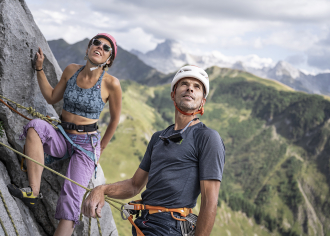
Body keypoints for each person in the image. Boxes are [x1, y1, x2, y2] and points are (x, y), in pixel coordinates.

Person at [82, 65, 225, 236]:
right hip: (144, 223)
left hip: (172, 226)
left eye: (197, 87)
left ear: (203, 101)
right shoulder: (158, 137)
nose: (190, 88)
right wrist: (102, 190)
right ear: (173, 94)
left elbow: (210, 201)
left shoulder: (207, 137)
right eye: (184, 84)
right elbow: (135, 185)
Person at [7, 33, 122, 236]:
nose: (100, 48)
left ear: (109, 60)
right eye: (96, 43)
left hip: (87, 144)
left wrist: (100, 149)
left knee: (71, 198)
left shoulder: (111, 84)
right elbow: (52, 97)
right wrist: (39, 69)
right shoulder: (71, 70)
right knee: (35, 127)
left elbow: (114, 120)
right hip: (62, 135)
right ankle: (33, 191)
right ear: (88, 49)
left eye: (106, 48)